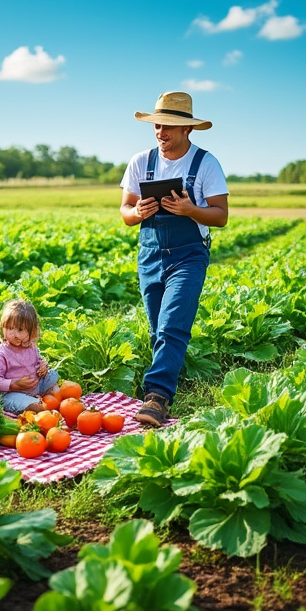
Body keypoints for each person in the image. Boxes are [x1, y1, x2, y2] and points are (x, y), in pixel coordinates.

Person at [119, 91, 229, 427]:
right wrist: (137, 212)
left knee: (172, 324)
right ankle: (165, 377)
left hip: (189, 255)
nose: (161, 132)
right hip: (150, 254)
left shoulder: (205, 163)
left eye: (168, 126)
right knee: (158, 328)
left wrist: (190, 210)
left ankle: (157, 396)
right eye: (157, 125)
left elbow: (221, 215)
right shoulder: (141, 161)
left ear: (187, 130)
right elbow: (124, 211)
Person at [0, 299, 59, 414]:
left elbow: (37, 361)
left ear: (31, 331)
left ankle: (56, 399)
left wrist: (43, 367)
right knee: (34, 407)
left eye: (20, 330)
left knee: (52, 376)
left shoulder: (31, 346)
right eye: (9, 328)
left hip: (35, 386)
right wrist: (14, 384)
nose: (13, 334)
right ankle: (36, 404)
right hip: (12, 393)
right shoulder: (1, 354)